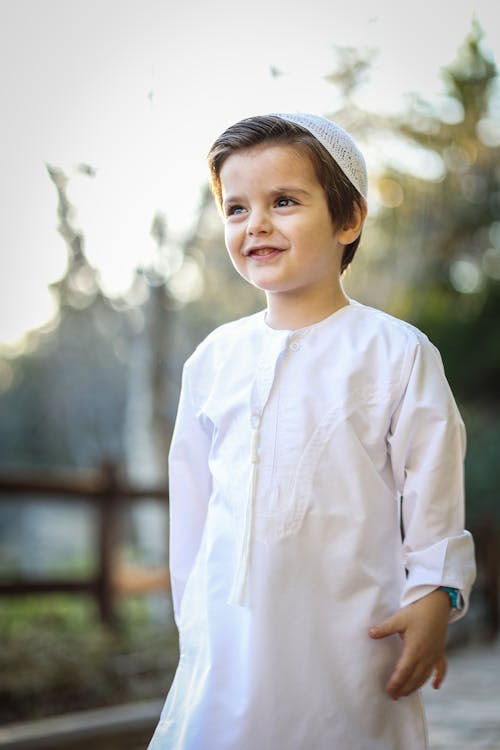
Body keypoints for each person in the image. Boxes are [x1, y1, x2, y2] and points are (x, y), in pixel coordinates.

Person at [147, 113, 476, 750]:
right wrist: (196, 622)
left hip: (350, 639)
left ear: (348, 219)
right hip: (228, 640)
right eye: (236, 208)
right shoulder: (213, 360)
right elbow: (190, 510)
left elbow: (433, 494)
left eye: (285, 201)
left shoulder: (396, 353)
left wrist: (437, 595)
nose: (256, 224)